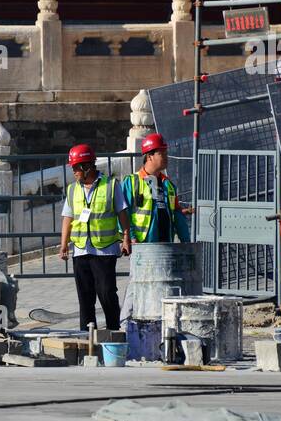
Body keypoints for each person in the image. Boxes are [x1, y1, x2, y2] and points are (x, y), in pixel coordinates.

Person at [58, 144, 131, 331]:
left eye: (76, 167)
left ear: (87, 167)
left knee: (106, 292)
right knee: (85, 297)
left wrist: (126, 238)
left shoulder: (111, 185)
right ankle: (86, 337)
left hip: (104, 249)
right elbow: (68, 217)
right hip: (81, 249)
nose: (74, 171)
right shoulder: (73, 189)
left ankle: (113, 330)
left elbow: (122, 212)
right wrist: (63, 244)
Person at [122, 133, 192, 245]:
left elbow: (177, 214)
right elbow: (123, 213)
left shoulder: (168, 185)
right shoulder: (131, 182)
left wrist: (186, 243)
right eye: (161, 153)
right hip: (142, 246)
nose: (166, 156)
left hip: (166, 246)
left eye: (166, 153)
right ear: (149, 156)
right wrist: (131, 237)